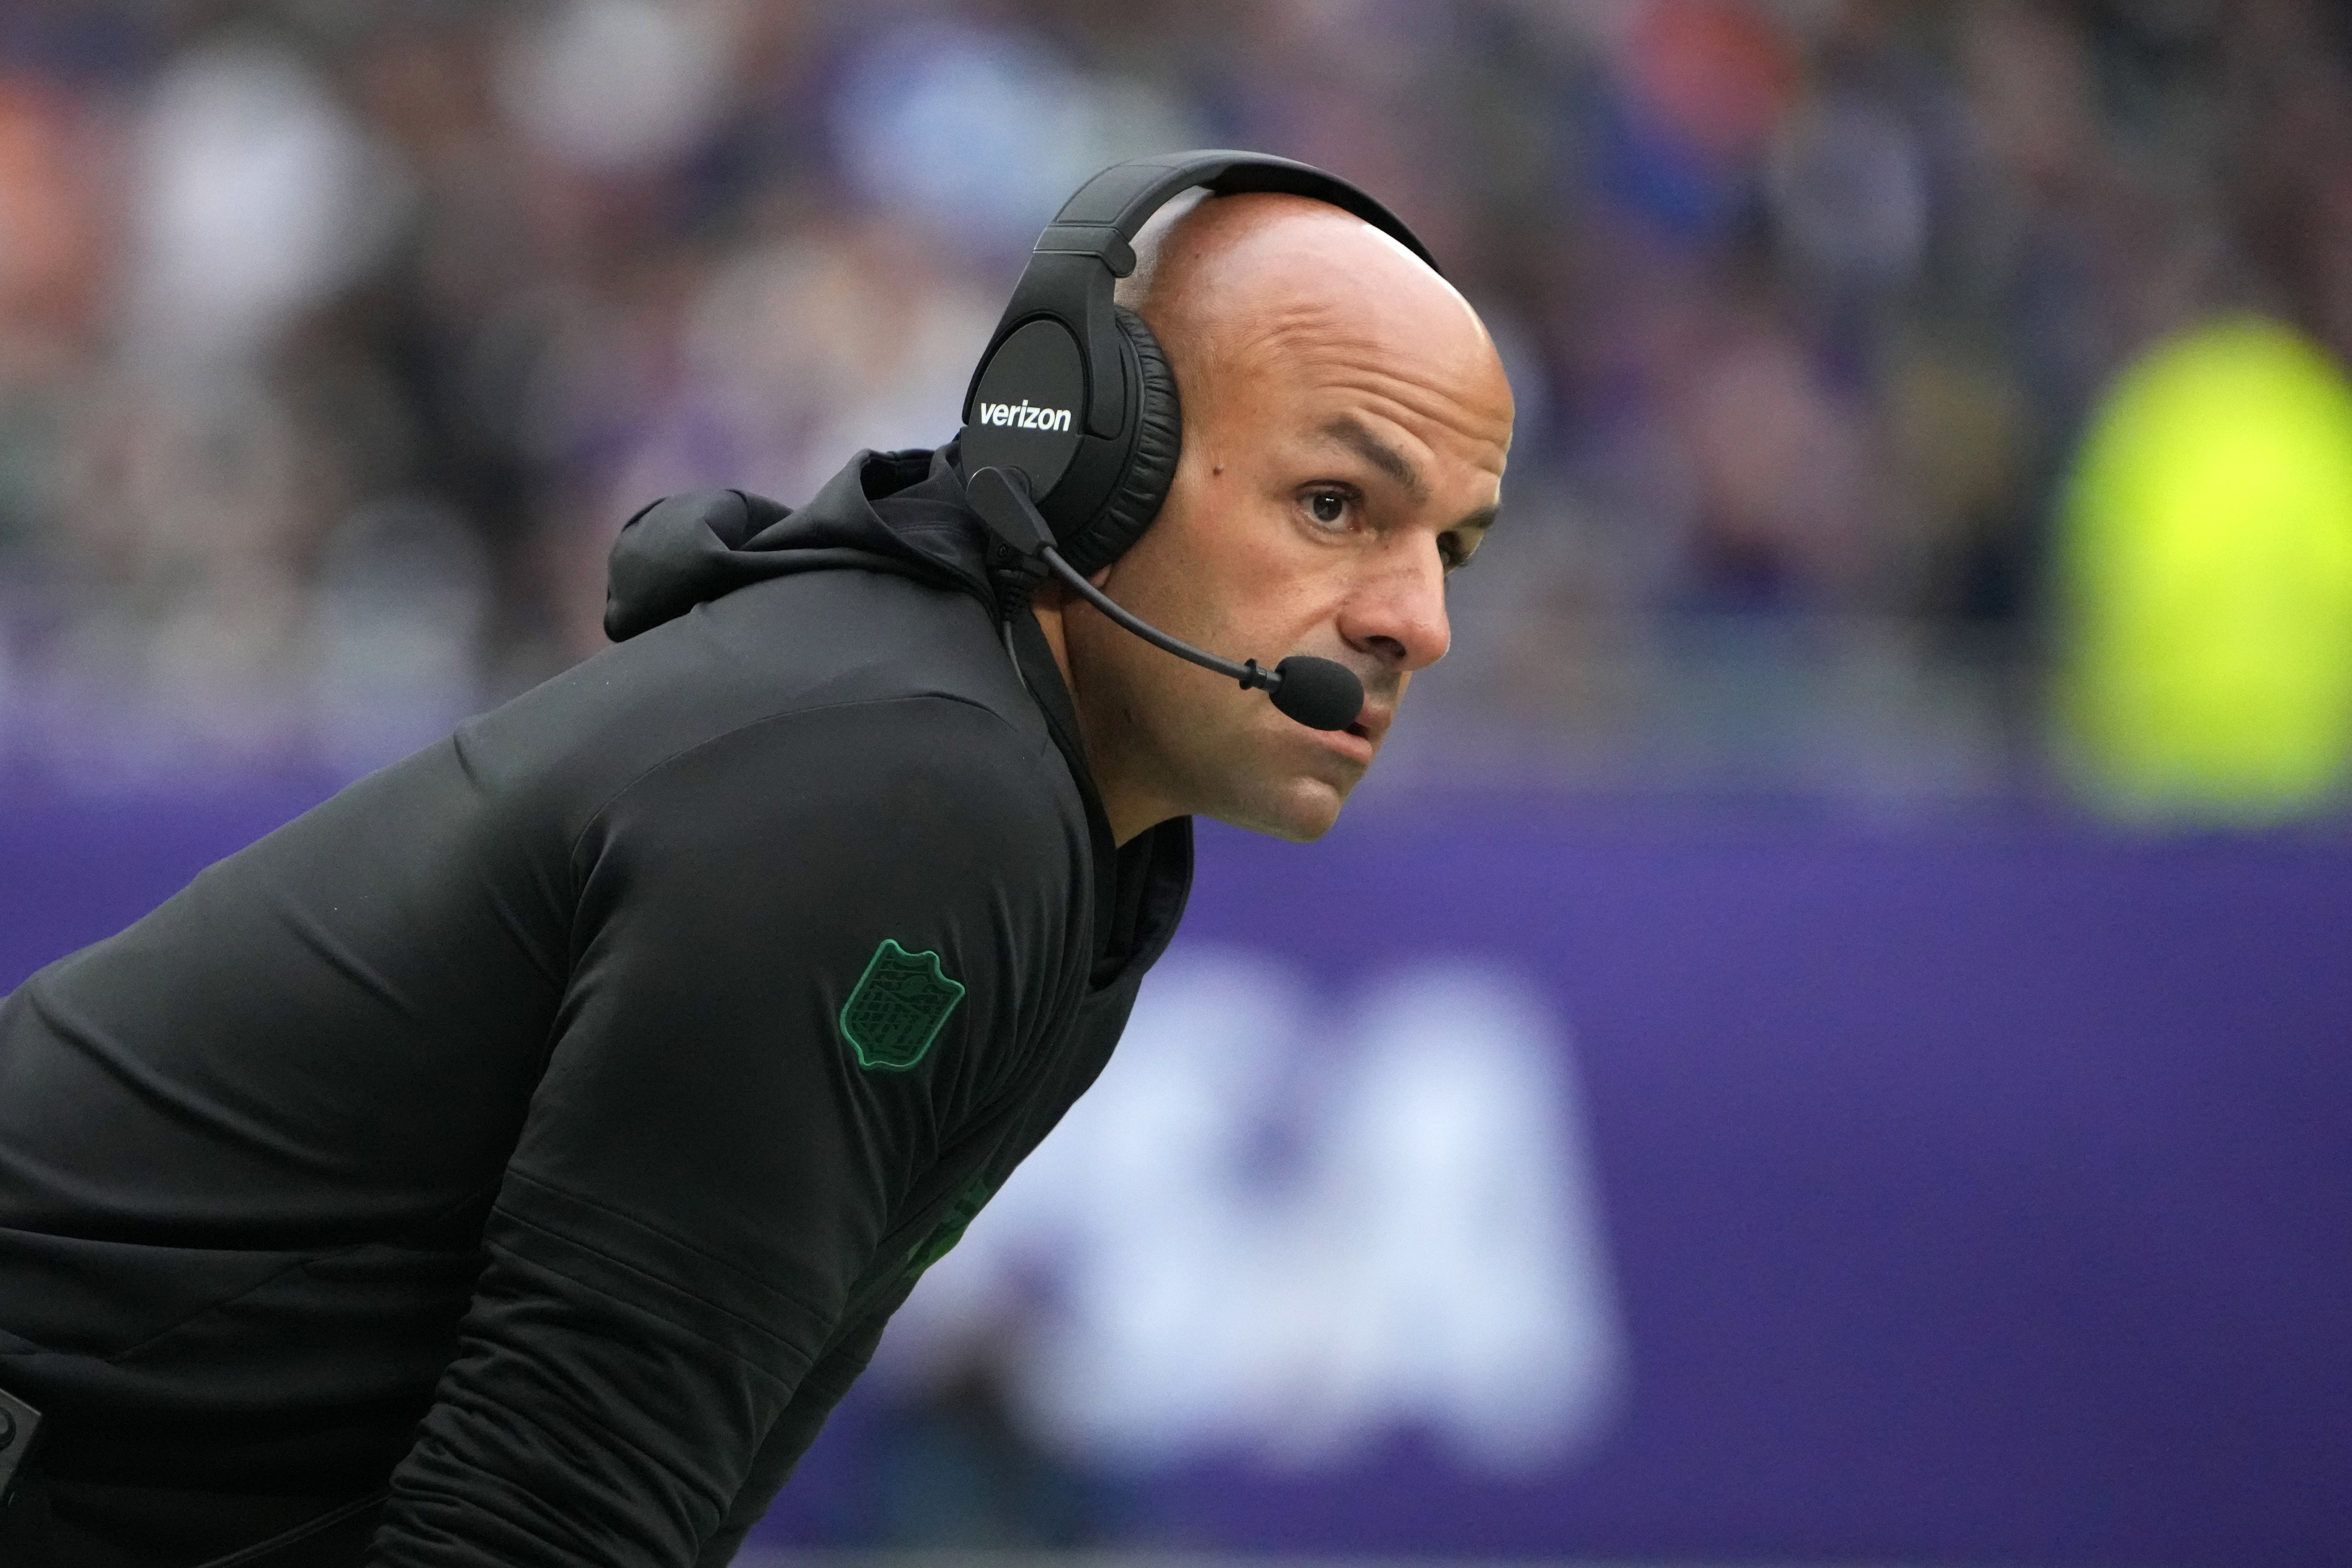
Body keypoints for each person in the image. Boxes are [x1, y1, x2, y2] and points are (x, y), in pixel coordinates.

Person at [0, 152, 1512, 1567]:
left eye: (1447, 547)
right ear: (1088, 458)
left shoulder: (1038, 803)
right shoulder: (920, 797)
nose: (1415, 622)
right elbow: (548, 1517)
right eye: (1338, 504)